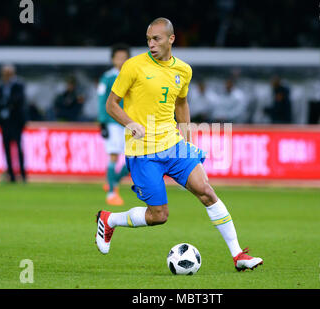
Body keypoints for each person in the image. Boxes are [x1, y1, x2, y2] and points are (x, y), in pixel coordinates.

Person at [95, 17, 263, 271]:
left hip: (173, 144)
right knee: (159, 215)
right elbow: (111, 105)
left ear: (171, 39)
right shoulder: (133, 66)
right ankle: (110, 220)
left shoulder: (183, 70)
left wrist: (188, 140)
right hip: (143, 151)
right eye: (148, 39)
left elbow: (181, 104)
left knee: (206, 191)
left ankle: (238, 255)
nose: (151, 44)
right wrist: (131, 124)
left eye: (157, 39)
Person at [98, 44, 131, 205]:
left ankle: (113, 181)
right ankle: (111, 193)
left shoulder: (132, 76)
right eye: (118, 57)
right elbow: (101, 100)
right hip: (112, 122)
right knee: (113, 155)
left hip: (129, 122)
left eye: (124, 57)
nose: (121, 60)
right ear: (113, 59)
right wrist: (102, 122)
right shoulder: (107, 78)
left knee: (132, 158)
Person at [0, 64, 27, 183]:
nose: (5, 76)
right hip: (5, 123)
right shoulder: (1, 87)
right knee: (7, 149)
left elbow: (18, 100)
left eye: (7, 73)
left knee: (18, 148)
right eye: (4, 74)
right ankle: (11, 175)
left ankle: (23, 175)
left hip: (16, 122)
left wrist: (6, 105)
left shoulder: (18, 85)